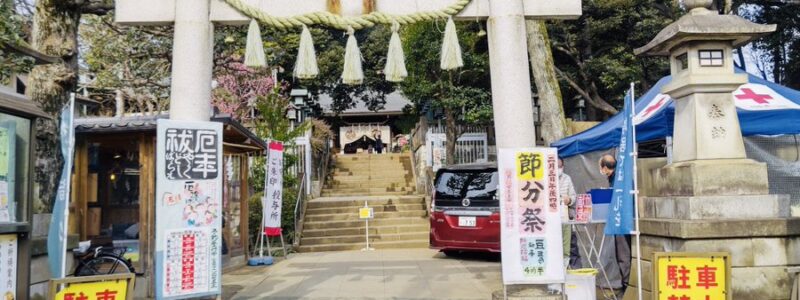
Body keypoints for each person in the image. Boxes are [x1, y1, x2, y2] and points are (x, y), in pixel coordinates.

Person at [599, 153, 632, 294]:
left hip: (622, 220)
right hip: (623, 218)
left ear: (605, 168)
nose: (601, 171)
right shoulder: (618, 176)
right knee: (622, 254)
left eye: (601, 168)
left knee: (623, 254)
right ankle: (625, 285)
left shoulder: (618, 178)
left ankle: (626, 287)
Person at [558, 158, 579, 268]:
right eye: (555, 166)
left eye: (560, 166)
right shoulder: (545, 178)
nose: (558, 169)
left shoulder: (567, 178)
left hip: (565, 217)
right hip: (551, 220)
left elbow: (574, 197)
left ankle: (567, 271)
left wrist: (569, 200)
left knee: (568, 246)